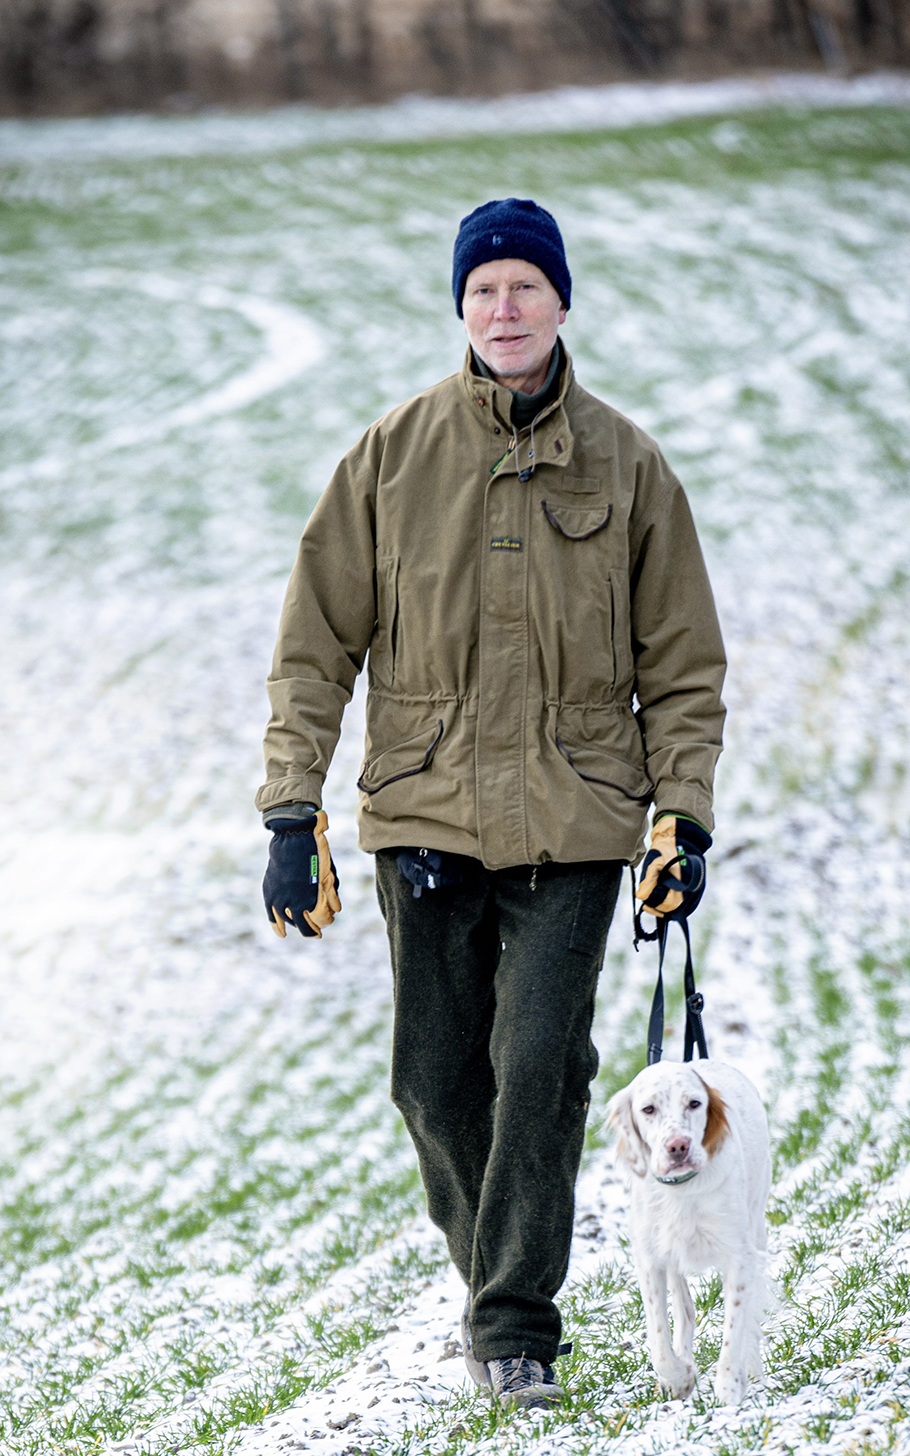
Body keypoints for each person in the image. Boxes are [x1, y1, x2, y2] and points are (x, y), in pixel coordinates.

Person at [255, 198, 726, 1411]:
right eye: (483, 291)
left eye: (525, 288)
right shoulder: (390, 457)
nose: (504, 310)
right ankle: (495, 1282)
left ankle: (514, 1323)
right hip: (424, 814)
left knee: (539, 1067)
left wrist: (682, 813)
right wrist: (288, 812)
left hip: (577, 819)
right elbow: (315, 647)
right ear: (459, 308)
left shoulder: (627, 466)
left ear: (562, 303)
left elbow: (681, 663)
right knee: (432, 1080)